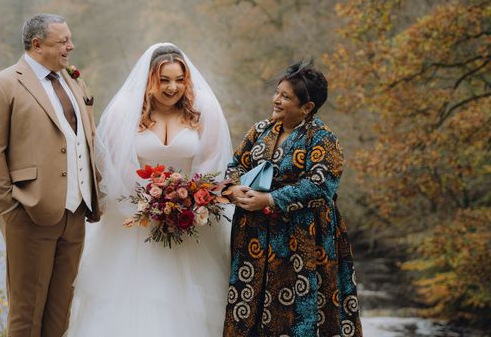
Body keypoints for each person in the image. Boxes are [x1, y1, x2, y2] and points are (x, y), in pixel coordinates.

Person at [66, 43, 233, 336]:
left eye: (179, 80)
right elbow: (115, 167)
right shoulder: (124, 112)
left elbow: (212, 164)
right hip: (135, 223)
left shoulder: (203, 109)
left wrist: (192, 200)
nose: (173, 87)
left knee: (191, 302)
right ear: (149, 80)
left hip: (189, 221)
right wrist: (148, 203)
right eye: (164, 80)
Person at [0, 13, 102, 337]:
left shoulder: (74, 82)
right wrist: (9, 210)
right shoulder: (1, 85)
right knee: (26, 317)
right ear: (37, 45)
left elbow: (85, 140)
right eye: (63, 41)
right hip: (29, 216)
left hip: (75, 216)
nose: (71, 47)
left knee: (60, 315)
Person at [223, 61, 363, 337]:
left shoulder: (323, 138)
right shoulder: (260, 129)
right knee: (248, 305)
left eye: (285, 97)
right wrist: (234, 188)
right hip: (253, 237)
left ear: (307, 107)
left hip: (303, 238)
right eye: (277, 93)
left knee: (298, 313)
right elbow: (235, 165)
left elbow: (320, 185)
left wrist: (271, 200)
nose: (276, 99)